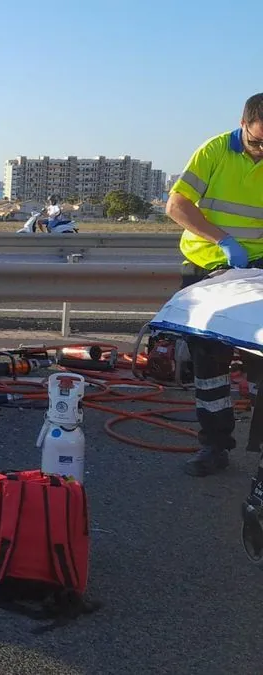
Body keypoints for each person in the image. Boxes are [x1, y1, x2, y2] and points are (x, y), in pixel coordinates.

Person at [166, 92, 263, 477]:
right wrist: (222, 240)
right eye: (257, 141)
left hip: (259, 269)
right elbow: (177, 205)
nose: (262, 150)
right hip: (208, 266)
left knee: (261, 362)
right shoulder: (215, 151)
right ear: (243, 124)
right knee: (210, 364)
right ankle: (214, 445)